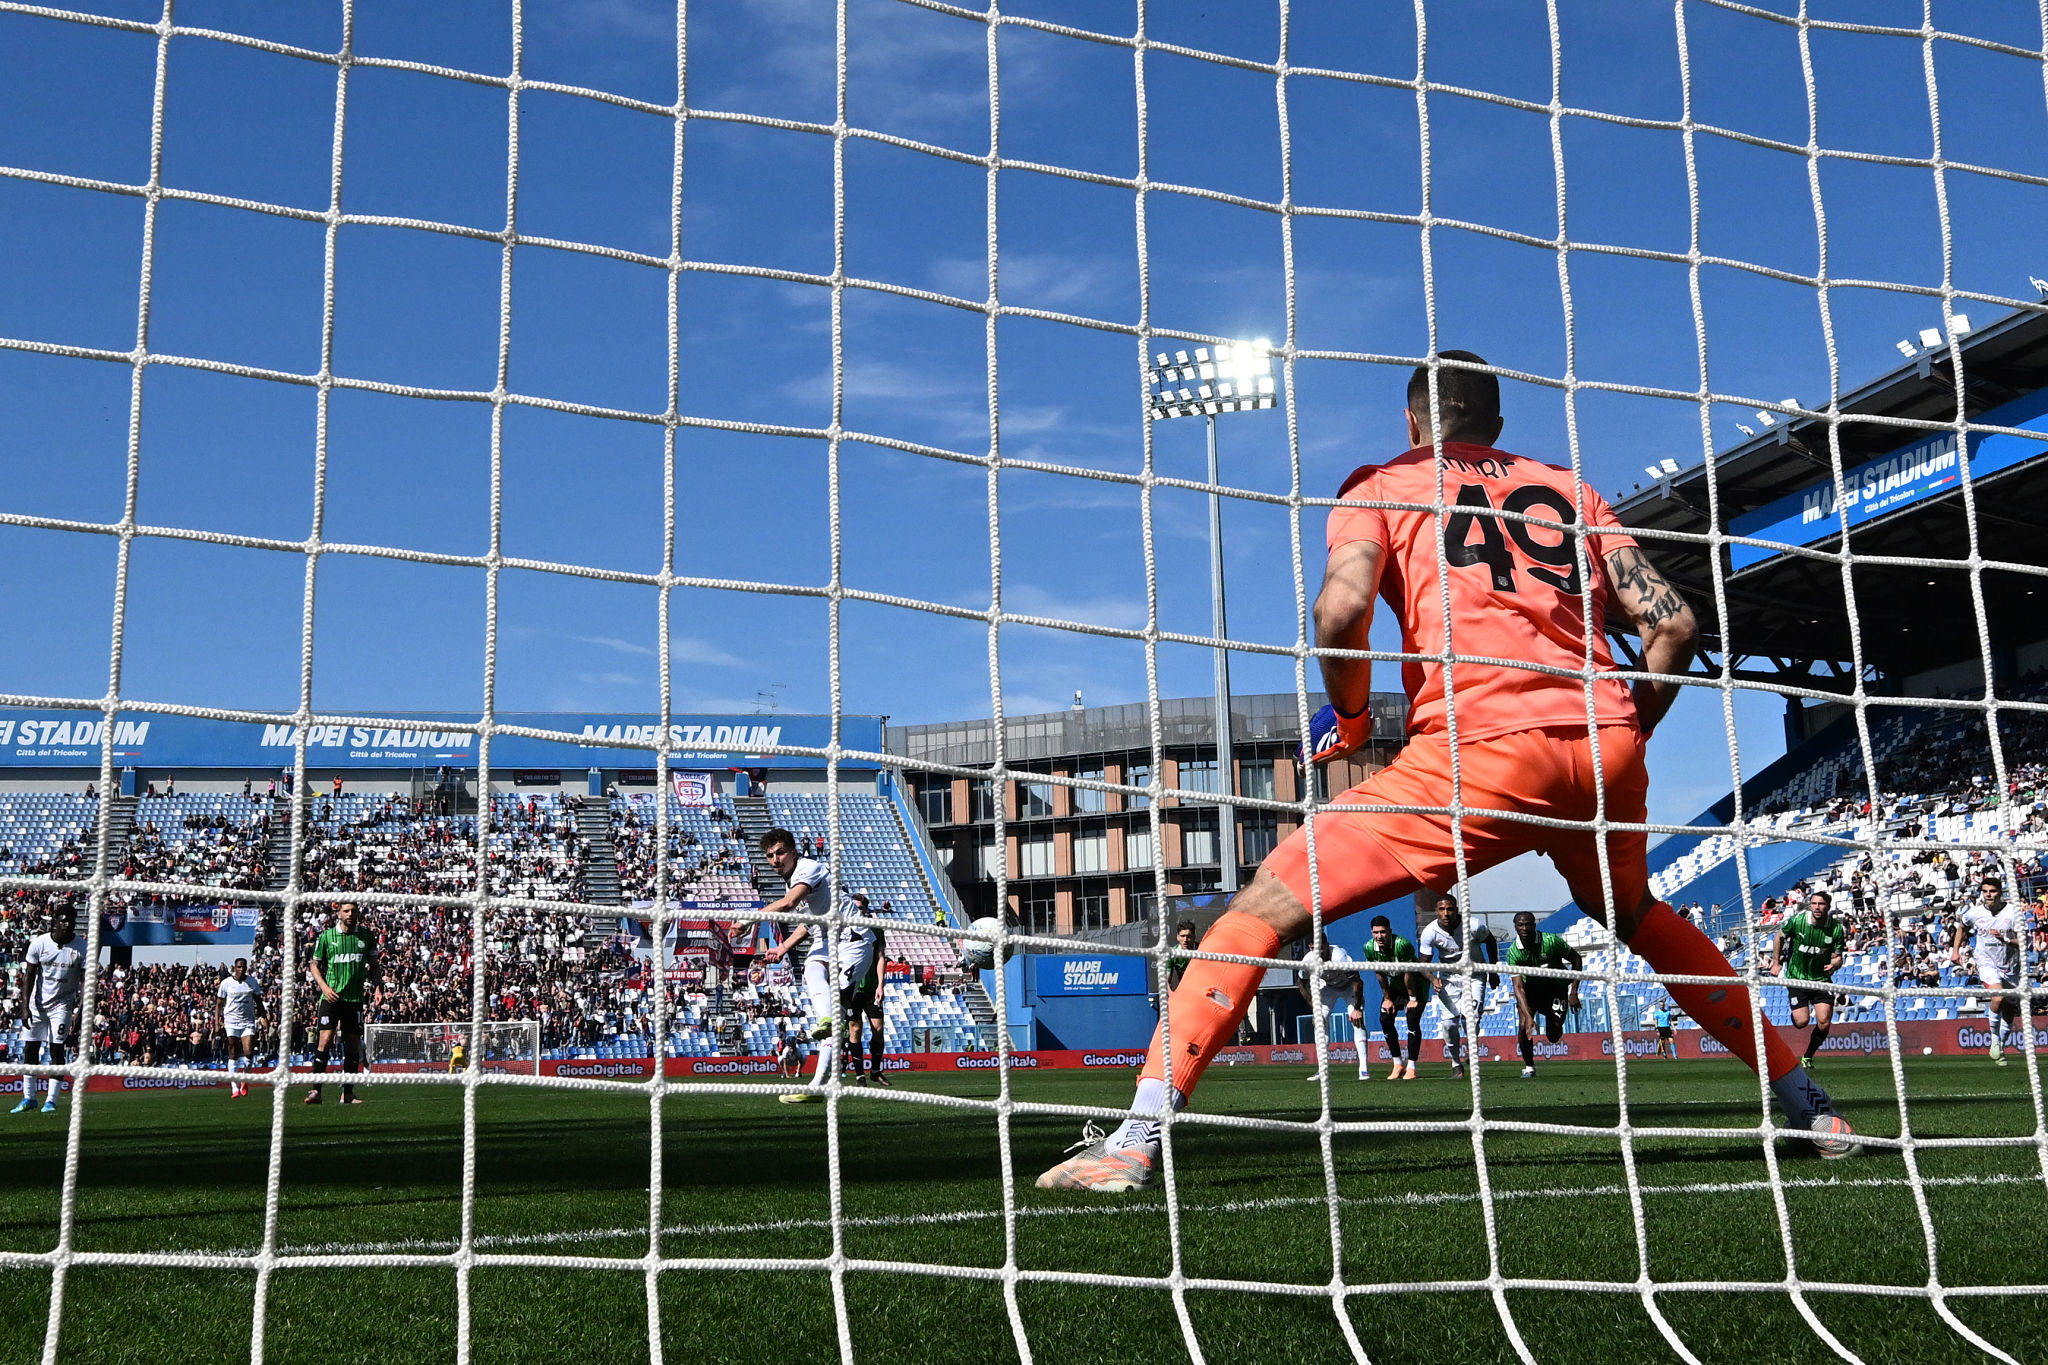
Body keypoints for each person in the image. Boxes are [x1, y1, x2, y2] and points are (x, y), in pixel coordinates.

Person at [1036, 351, 1857, 1192]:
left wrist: (1353, 722)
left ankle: (1133, 1143)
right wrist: (1626, 727)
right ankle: (1811, 1105)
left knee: (1257, 911)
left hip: (1479, 751)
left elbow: (1341, 609)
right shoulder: (1572, 490)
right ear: (1498, 426)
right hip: (1603, 748)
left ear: (1413, 423)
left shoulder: (1382, 483)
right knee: (1637, 914)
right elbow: (1675, 625)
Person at [758, 829, 867, 1104]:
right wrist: (783, 948)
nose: (775, 859)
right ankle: (826, 1023)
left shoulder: (807, 868)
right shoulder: (794, 879)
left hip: (853, 939)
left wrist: (749, 919)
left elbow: (789, 903)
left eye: (780, 852)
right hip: (827, 939)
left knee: (838, 1005)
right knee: (811, 969)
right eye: (770, 855)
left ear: (794, 853)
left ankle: (819, 1082)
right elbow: (808, 922)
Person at [13, 912, 85, 1115]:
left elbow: (87, 983)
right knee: (30, 1048)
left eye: (70, 921)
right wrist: (25, 1007)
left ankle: (51, 1100)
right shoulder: (39, 944)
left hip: (62, 1005)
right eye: (64, 920)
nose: (68, 924)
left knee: (57, 1049)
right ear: (55, 923)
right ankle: (29, 1097)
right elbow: (29, 975)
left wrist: (80, 1014)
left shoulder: (81, 947)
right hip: (37, 1004)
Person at [306, 902, 376, 1105]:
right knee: (325, 1040)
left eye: (353, 911)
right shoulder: (327, 936)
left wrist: (378, 986)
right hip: (330, 997)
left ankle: (348, 1093)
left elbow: (374, 965)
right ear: (339, 913)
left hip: (354, 999)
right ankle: (316, 1091)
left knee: (352, 1043)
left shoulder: (366, 936)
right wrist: (325, 988)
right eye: (346, 911)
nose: (350, 914)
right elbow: (314, 965)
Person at [1952, 875, 2024, 1065]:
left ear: (2000, 892)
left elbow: (2025, 942)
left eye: (1992, 891)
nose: (1988, 895)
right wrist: (1955, 951)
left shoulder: (2012, 912)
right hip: (1986, 962)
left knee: (2009, 1009)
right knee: (1997, 996)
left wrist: (2005, 939)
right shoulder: (1975, 913)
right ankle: (1994, 1040)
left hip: (2010, 965)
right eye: (1985, 891)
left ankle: (2001, 1042)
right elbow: (1962, 927)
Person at [1773, 890, 1847, 1066]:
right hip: (1797, 977)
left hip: (1821, 980)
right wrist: (1776, 962)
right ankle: (1797, 1014)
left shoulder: (1836, 929)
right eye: (1814, 903)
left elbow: (1838, 957)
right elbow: (1779, 937)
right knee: (1802, 1021)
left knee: (1824, 1022)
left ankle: (1808, 1056)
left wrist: (1835, 964)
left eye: (1821, 904)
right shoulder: (1799, 921)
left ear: (1828, 906)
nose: (1817, 907)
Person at [1361, 913, 1430, 1080]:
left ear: (1390, 931)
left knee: (1412, 1020)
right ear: (1372, 933)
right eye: (1376, 932)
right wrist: (1387, 998)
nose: (1379, 936)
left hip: (1415, 985)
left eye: (1383, 932)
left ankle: (1412, 1067)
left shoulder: (1403, 945)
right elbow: (1380, 974)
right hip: (1395, 988)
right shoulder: (1369, 948)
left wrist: (1412, 999)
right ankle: (1397, 1064)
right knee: (1385, 1019)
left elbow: (1409, 973)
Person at [1295, 943, 1368, 1082]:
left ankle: (1363, 1069)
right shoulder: (1308, 960)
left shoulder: (1338, 956)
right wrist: (1313, 1005)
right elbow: (1301, 983)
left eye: (1320, 948)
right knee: (1319, 1021)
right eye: (1313, 948)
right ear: (1310, 948)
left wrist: (1358, 1008)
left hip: (1348, 987)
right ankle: (1322, 1070)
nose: (1318, 952)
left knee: (1357, 1021)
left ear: (1326, 945)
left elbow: (1358, 982)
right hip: (1328, 987)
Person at [847, 912, 890, 1087]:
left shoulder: (876, 930)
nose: (859, 911)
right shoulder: (845, 929)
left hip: (872, 989)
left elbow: (881, 958)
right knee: (855, 1030)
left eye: (862, 908)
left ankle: (875, 1071)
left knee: (878, 1030)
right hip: (852, 989)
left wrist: (881, 985)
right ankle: (859, 1076)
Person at [217, 957, 262, 1099]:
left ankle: (245, 1079)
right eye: (239, 967)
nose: (241, 969)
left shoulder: (252, 982)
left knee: (249, 1052)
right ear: (234, 968)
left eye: (244, 967)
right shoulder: (226, 983)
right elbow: (218, 1004)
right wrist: (217, 1022)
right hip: (231, 1021)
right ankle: (234, 1088)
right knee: (233, 1051)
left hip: (247, 1021)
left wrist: (264, 1016)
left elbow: (258, 1001)